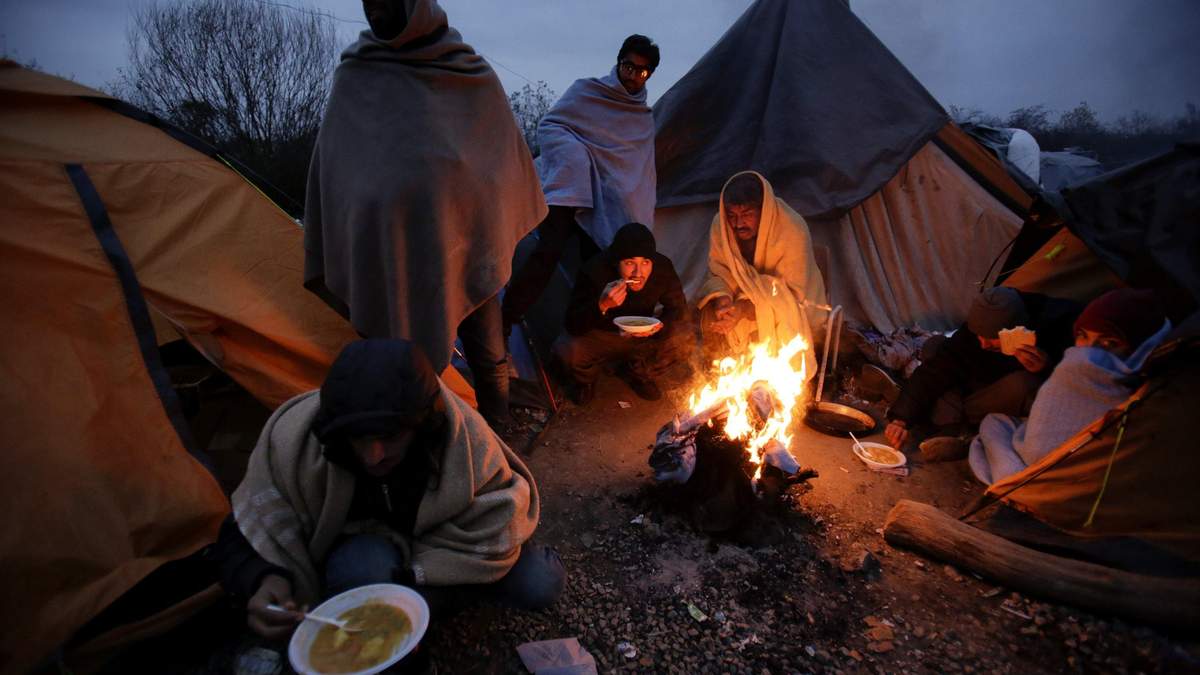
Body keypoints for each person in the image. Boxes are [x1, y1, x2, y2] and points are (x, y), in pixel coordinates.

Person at [209, 339, 564, 643]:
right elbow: (244, 529)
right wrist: (263, 578)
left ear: (422, 425)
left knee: (540, 582)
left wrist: (426, 581)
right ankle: (398, 607)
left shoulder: (463, 441)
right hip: (367, 548)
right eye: (359, 439)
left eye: (390, 437)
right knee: (361, 569)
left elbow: (500, 515)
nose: (373, 456)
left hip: (448, 544)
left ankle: (411, 600)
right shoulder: (298, 443)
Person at [302, 0, 546, 430]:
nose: (377, 12)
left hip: (467, 243)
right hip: (386, 247)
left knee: (489, 352)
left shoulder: (467, 73)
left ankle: (496, 433)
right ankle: (416, 437)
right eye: (369, 3)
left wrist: (475, 206)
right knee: (392, 354)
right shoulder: (357, 74)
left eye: (387, 1)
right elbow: (336, 166)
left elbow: (500, 161)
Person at [501, 34, 660, 337]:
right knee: (546, 254)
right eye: (628, 67)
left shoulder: (642, 118)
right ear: (618, 63)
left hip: (605, 204)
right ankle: (505, 321)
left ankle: (585, 339)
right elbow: (551, 125)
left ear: (649, 75)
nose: (632, 76)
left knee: (596, 270)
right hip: (571, 192)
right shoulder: (588, 92)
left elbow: (640, 172)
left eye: (641, 71)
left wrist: (633, 212)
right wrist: (575, 159)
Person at [969, 288, 1170, 484]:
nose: (1089, 351)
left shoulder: (1149, 398)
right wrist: (1047, 369)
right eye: (1083, 336)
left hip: (1053, 470)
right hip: (1031, 440)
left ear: (1141, 350)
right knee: (993, 423)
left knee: (1006, 412)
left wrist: (1047, 368)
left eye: (1109, 343)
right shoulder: (1073, 361)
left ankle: (1013, 478)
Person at [884, 286, 1083, 460]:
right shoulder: (975, 332)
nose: (983, 344)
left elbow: (1073, 393)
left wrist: (1047, 368)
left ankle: (957, 430)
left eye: (992, 338)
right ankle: (945, 423)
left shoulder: (1059, 326)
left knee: (1024, 384)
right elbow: (936, 369)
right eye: (979, 336)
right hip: (969, 387)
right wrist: (901, 418)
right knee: (935, 346)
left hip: (995, 401)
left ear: (1016, 331)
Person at [696, 171, 827, 378]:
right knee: (708, 312)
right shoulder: (721, 225)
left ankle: (777, 381)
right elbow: (719, 271)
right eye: (732, 215)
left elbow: (790, 298)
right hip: (741, 302)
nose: (738, 224)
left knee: (773, 321)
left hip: (794, 309)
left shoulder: (792, 229)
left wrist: (743, 309)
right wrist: (724, 300)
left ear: (764, 210)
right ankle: (722, 375)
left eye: (747, 214)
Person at [555, 223, 693, 404]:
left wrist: (659, 326)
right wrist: (602, 305)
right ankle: (585, 381)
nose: (638, 273)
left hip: (643, 335)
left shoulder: (662, 268)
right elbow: (572, 324)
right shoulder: (594, 270)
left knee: (685, 336)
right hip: (602, 335)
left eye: (645, 262)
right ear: (616, 262)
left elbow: (678, 308)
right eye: (629, 263)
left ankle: (639, 373)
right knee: (567, 349)